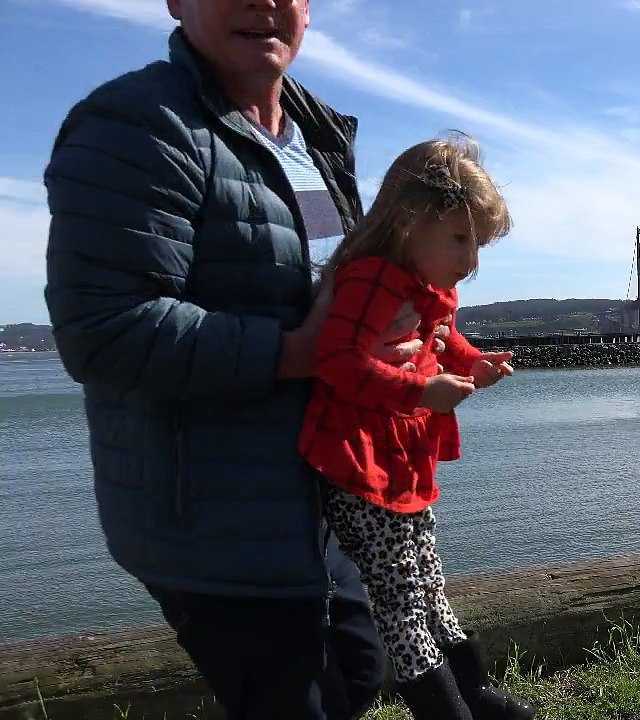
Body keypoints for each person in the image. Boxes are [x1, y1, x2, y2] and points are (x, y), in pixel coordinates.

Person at [43, 2, 444, 717]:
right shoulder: (135, 125)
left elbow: (334, 294)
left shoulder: (317, 134)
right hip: (217, 524)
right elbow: (104, 331)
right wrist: (303, 352)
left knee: (357, 671)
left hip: (328, 493)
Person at [301, 136, 534, 720]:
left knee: (427, 581)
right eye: (461, 239)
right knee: (400, 598)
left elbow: (442, 339)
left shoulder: (428, 288)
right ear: (409, 221)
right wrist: (420, 391)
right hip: (359, 463)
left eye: (477, 243)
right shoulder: (373, 280)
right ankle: (444, 709)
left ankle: (472, 692)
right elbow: (336, 360)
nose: (472, 260)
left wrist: (472, 362)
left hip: (401, 460)